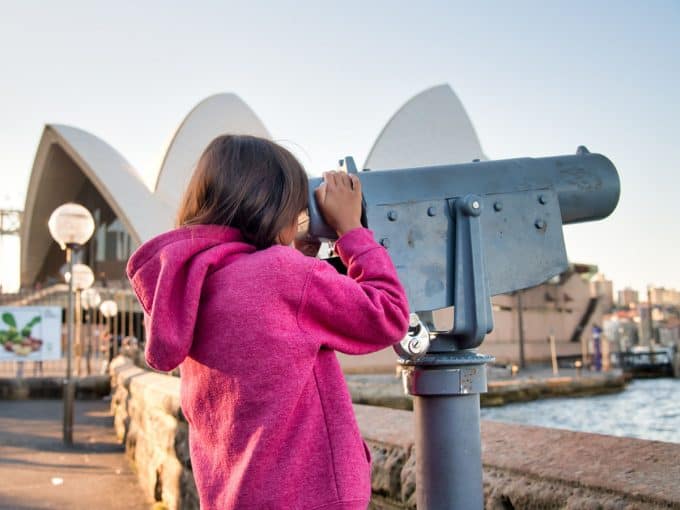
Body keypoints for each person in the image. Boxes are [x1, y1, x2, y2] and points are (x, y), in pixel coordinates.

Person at [127, 135, 409, 510]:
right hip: (313, 496)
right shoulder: (283, 273)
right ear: (275, 205)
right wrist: (352, 232)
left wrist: (300, 256)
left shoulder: (189, 284)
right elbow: (388, 314)